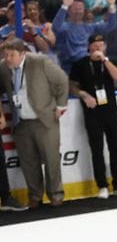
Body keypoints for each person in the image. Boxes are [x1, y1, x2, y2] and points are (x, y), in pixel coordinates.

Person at [0, 39, 69, 208]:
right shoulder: (3, 67)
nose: (8, 58)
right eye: (5, 55)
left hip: (44, 120)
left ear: (22, 53)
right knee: (28, 162)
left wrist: (61, 105)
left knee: (51, 159)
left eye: (12, 55)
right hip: (21, 121)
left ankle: (55, 194)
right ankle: (35, 196)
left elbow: (62, 80)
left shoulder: (39, 62)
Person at [69, 34, 117, 199]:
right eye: (95, 44)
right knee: (97, 150)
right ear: (89, 47)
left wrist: (105, 60)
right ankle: (102, 185)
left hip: (111, 111)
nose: (98, 47)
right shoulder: (80, 64)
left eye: (101, 44)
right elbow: (71, 85)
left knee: (115, 148)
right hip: (92, 113)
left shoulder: (111, 61)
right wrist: (83, 94)